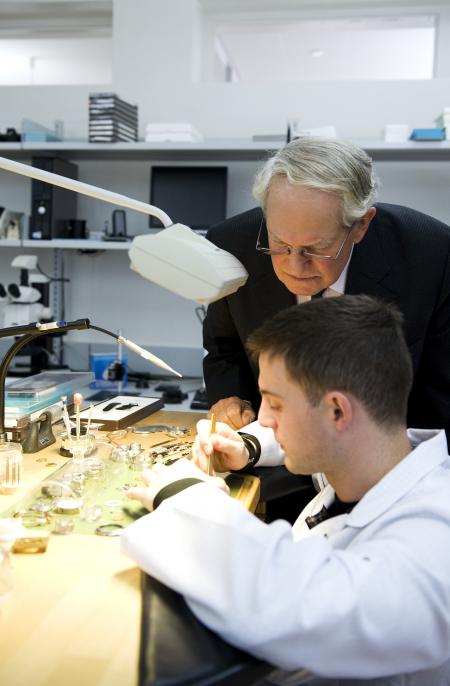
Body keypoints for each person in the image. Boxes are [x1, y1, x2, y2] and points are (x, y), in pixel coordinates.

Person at [122, 295, 450, 685]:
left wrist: (186, 496)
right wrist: (248, 446)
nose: (261, 418)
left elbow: (310, 608)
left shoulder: (435, 534)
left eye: (274, 404)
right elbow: (311, 432)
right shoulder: (371, 461)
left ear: (337, 412)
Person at [203, 137, 450, 446]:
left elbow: (440, 392)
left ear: (361, 225)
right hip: (266, 453)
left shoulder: (429, 255)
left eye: (317, 249)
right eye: (279, 243)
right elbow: (224, 346)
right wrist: (232, 398)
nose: (295, 265)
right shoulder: (231, 246)